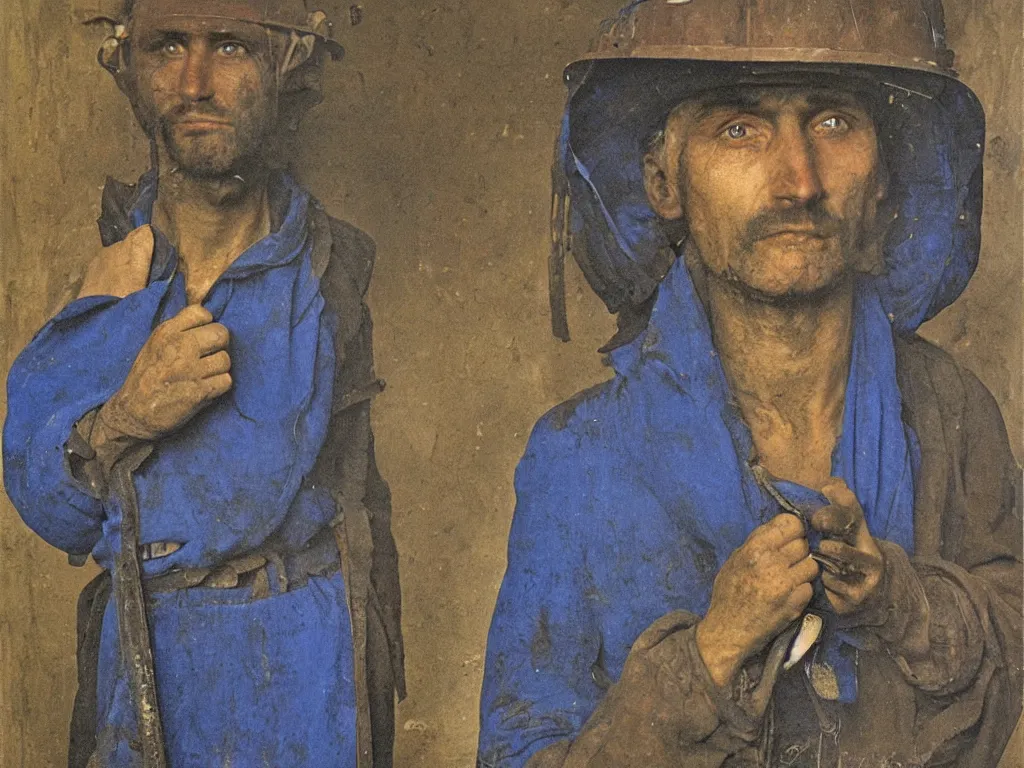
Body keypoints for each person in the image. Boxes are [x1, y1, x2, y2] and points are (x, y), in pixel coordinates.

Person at [478, 0, 1022, 765]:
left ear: (885, 178)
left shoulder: (947, 411)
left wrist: (901, 601)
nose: (799, 181)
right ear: (665, 181)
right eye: (740, 129)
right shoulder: (580, 456)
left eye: (833, 123)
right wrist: (708, 655)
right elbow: (520, 752)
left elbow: (1015, 629)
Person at [3, 0, 404, 765]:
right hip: (154, 657)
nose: (194, 82)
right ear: (130, 67)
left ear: (285, 65)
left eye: (228, 47)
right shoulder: (114, 281)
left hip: (304, 665)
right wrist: (122, 419)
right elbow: (48, 507)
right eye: (167, 48)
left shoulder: (329, 271)